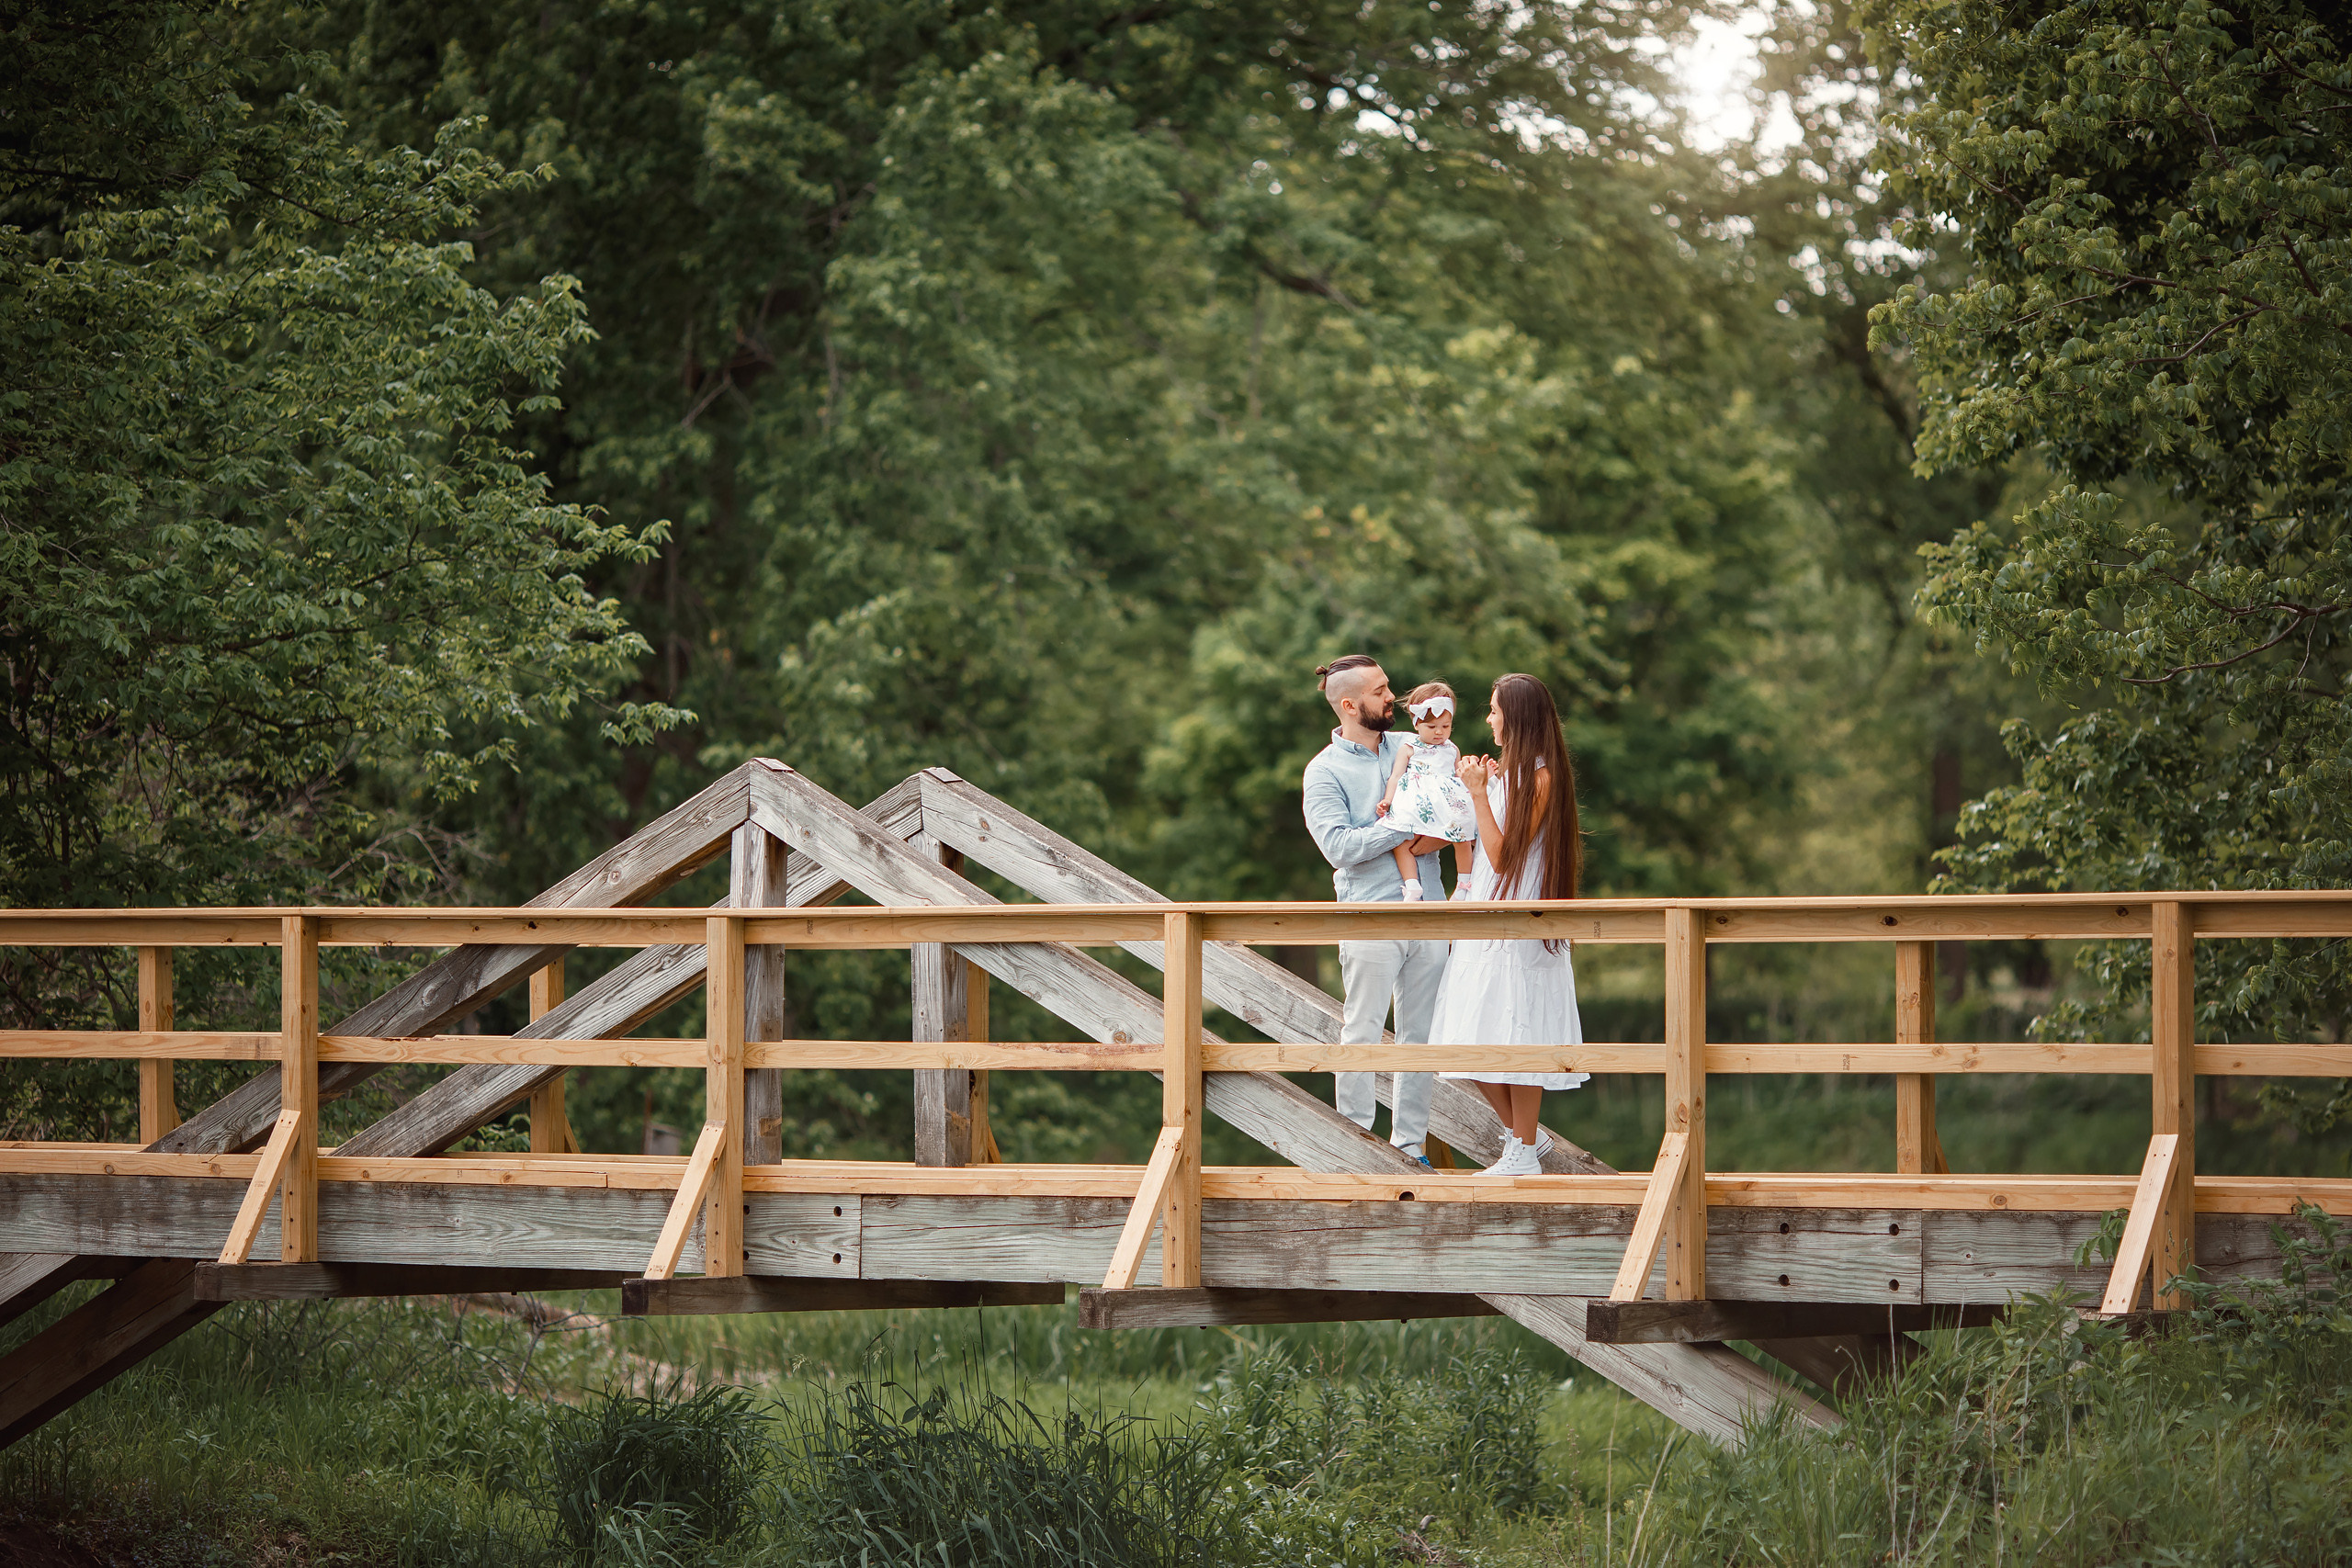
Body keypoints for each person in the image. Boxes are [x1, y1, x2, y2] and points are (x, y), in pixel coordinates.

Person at [1430, 672, 1589, 1177]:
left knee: (1516, 1029)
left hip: (1516, 921)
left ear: (1516, 718)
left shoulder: (1541, 778)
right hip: (1489, 918)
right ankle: (1527, 1140)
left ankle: (1520, 1149)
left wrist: (1480, 792)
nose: (1489, 719)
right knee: (1468, 1034)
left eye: (1495, 710)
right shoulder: (1518, 777)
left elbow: (1500, 857)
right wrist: (1490, 784)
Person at [1301, 655, 1448, 1165]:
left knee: (1421, 1037)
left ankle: (1410, 1151)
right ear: (1349, 705)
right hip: (1369, 916)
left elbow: (1449, 811)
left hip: (1430, 912)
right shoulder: (1323, 771)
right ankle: (1355, 1150)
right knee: (1361, 1030)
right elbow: (1339, 848)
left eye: (1388, 687)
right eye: (1381, 691)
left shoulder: (1414, 746)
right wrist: (1403, 825)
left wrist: (1431, 823)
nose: (1393, 697)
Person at [1376, 682, 1479, 901]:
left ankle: (1464, 883)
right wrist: (1388, 800)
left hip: (1448, 800)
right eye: (1431, 727)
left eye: (1446, 726)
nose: (1439, 732)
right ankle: (1412, 884)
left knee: (1461, 835)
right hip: (1419, 802)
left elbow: (1458, 775)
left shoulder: (1452, 749)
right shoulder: (1410, 748)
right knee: (1400, 840)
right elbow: (1396, 776)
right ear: (1417, 724)